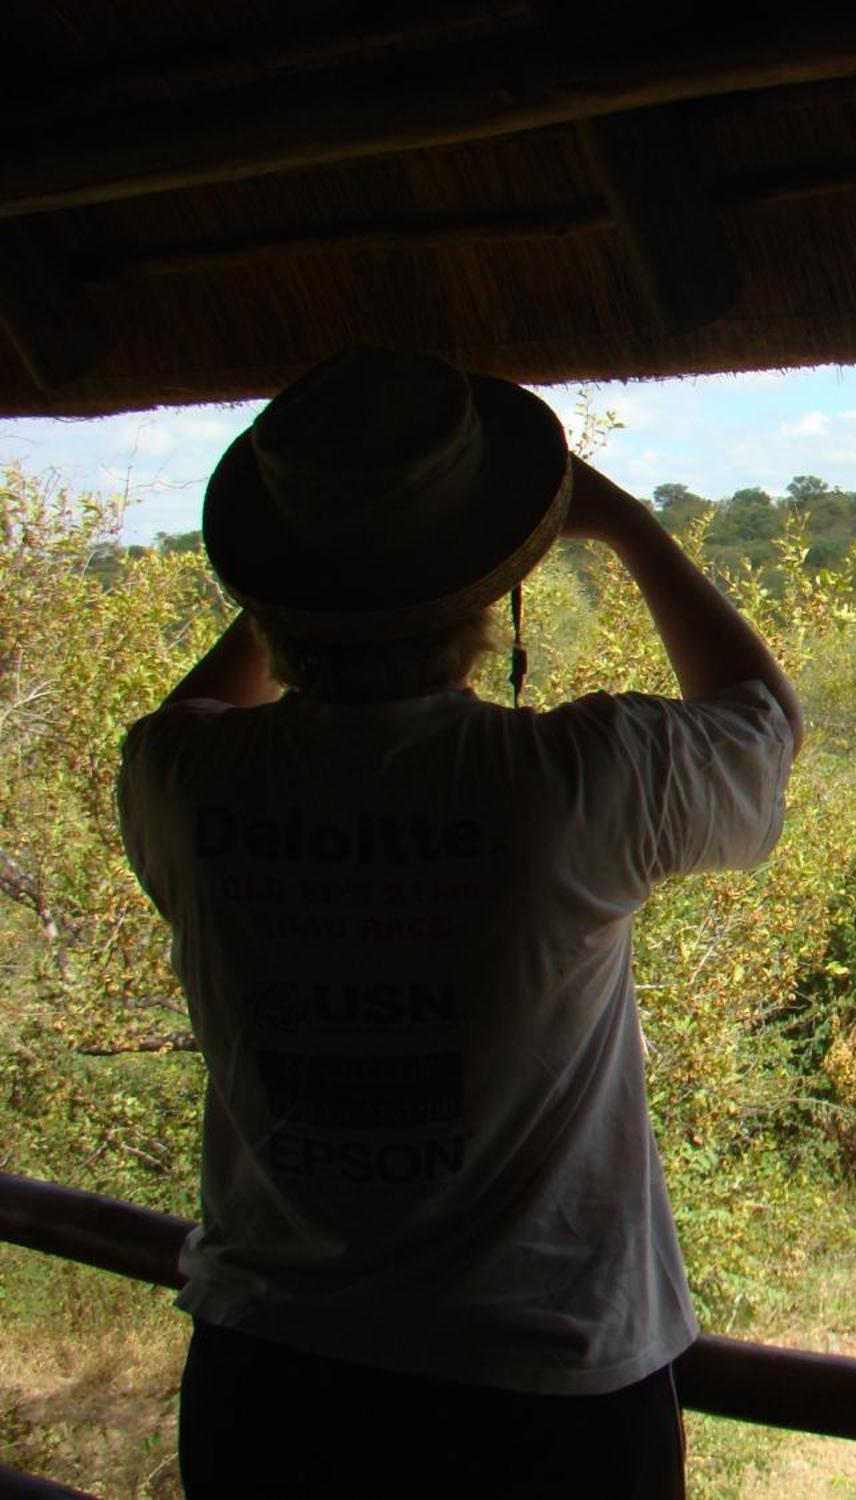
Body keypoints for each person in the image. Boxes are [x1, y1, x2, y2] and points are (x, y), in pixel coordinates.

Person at [117, 347, 802, 1497]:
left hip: (267, 1382)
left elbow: (196, 706)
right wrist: (624, 524)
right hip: (537, 1389)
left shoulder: (182, 780)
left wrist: (304, 586)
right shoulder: (572, 781)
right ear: (487, 595)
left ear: (273, 593)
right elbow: (762, 723)